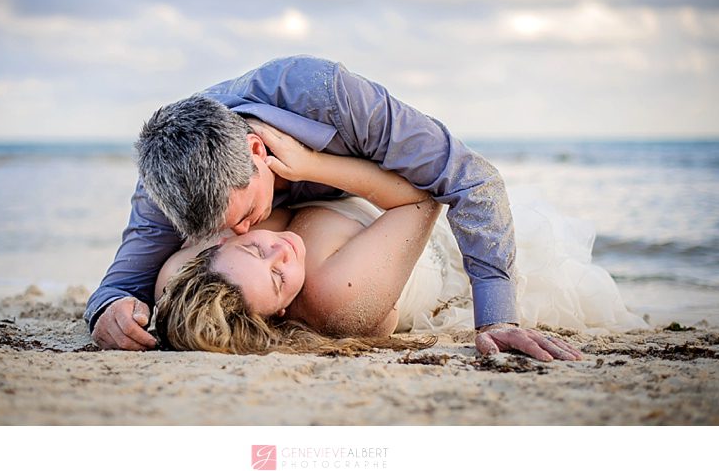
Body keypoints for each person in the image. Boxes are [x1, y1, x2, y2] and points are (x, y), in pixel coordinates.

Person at [85, 55, 564, 359]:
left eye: (244, 215)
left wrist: (498, 319)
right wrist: (109, 311)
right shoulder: (167, 179)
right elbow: (125, 277)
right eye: (223, 232)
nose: (241, 231)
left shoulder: (328, 98)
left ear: (257, 151)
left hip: (380, 208)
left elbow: (471, 180)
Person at [152, 127, 586, 360]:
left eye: (252, 249)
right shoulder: (338, 294)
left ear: (216, 247)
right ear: (281, 311)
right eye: (279, 277)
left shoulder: (187, 279)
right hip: (421, 238)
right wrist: (312, 167)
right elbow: (423, 197)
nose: (281, 250)